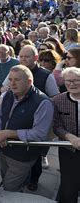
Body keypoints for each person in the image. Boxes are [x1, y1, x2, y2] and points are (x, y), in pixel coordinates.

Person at [0, 65, 54, 192]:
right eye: (10, 79)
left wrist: (9, 133)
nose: (12, 83)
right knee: (6, 181)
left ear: (29, 82)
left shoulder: (43, 102)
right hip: (4, 150)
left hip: (22, 156)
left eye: (17, 80)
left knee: (9, 188)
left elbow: (39, 134)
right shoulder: (6, 95)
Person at [52, 67, 80, 202]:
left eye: (76, 81)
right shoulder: (57, 100)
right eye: (68, 81)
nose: (72, 84)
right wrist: (70, 136)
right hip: (68, 149)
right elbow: (56, 125)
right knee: (69, 185)